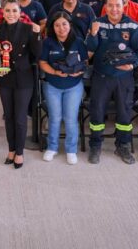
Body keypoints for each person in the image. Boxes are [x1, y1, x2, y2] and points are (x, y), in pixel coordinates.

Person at [85, 0, 138, 164]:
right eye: (110, 5)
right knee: (97, 112)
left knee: (125, 112)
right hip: (101, 76)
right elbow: (90, 49)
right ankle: (95, 146)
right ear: (105, 6)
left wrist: (132, 65)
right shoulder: (98, 23)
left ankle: (123, 145)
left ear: (124, 5)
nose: (114, 9)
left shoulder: (132, 26)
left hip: (124, 78)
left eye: (118, 5)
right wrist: (93, 34)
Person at [0, 0, 42, 168]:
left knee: (20, 117)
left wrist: (37, 35)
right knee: (9, 116)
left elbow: (37, 54)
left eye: (14, 10)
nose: (11, 14)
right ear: (3, 12)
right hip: (5, 78)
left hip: (24, 78)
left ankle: (20, 152)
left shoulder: (29, 29)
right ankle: (11, 149)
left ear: (20, 13)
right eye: (8, 10)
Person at [38, 12, 88, 165]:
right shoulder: (48, 42)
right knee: (55, 118)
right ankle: (52, 147)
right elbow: (42, 62)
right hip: (53, 85)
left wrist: (78, 71)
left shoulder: (78, 42)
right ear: (53, 27)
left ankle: (71, 150)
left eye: (64, 24)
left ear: (70, 25)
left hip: (74, 86)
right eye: (57, 25)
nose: (61, 28)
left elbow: (85, 61)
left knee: (70, 118)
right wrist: (55, 72)